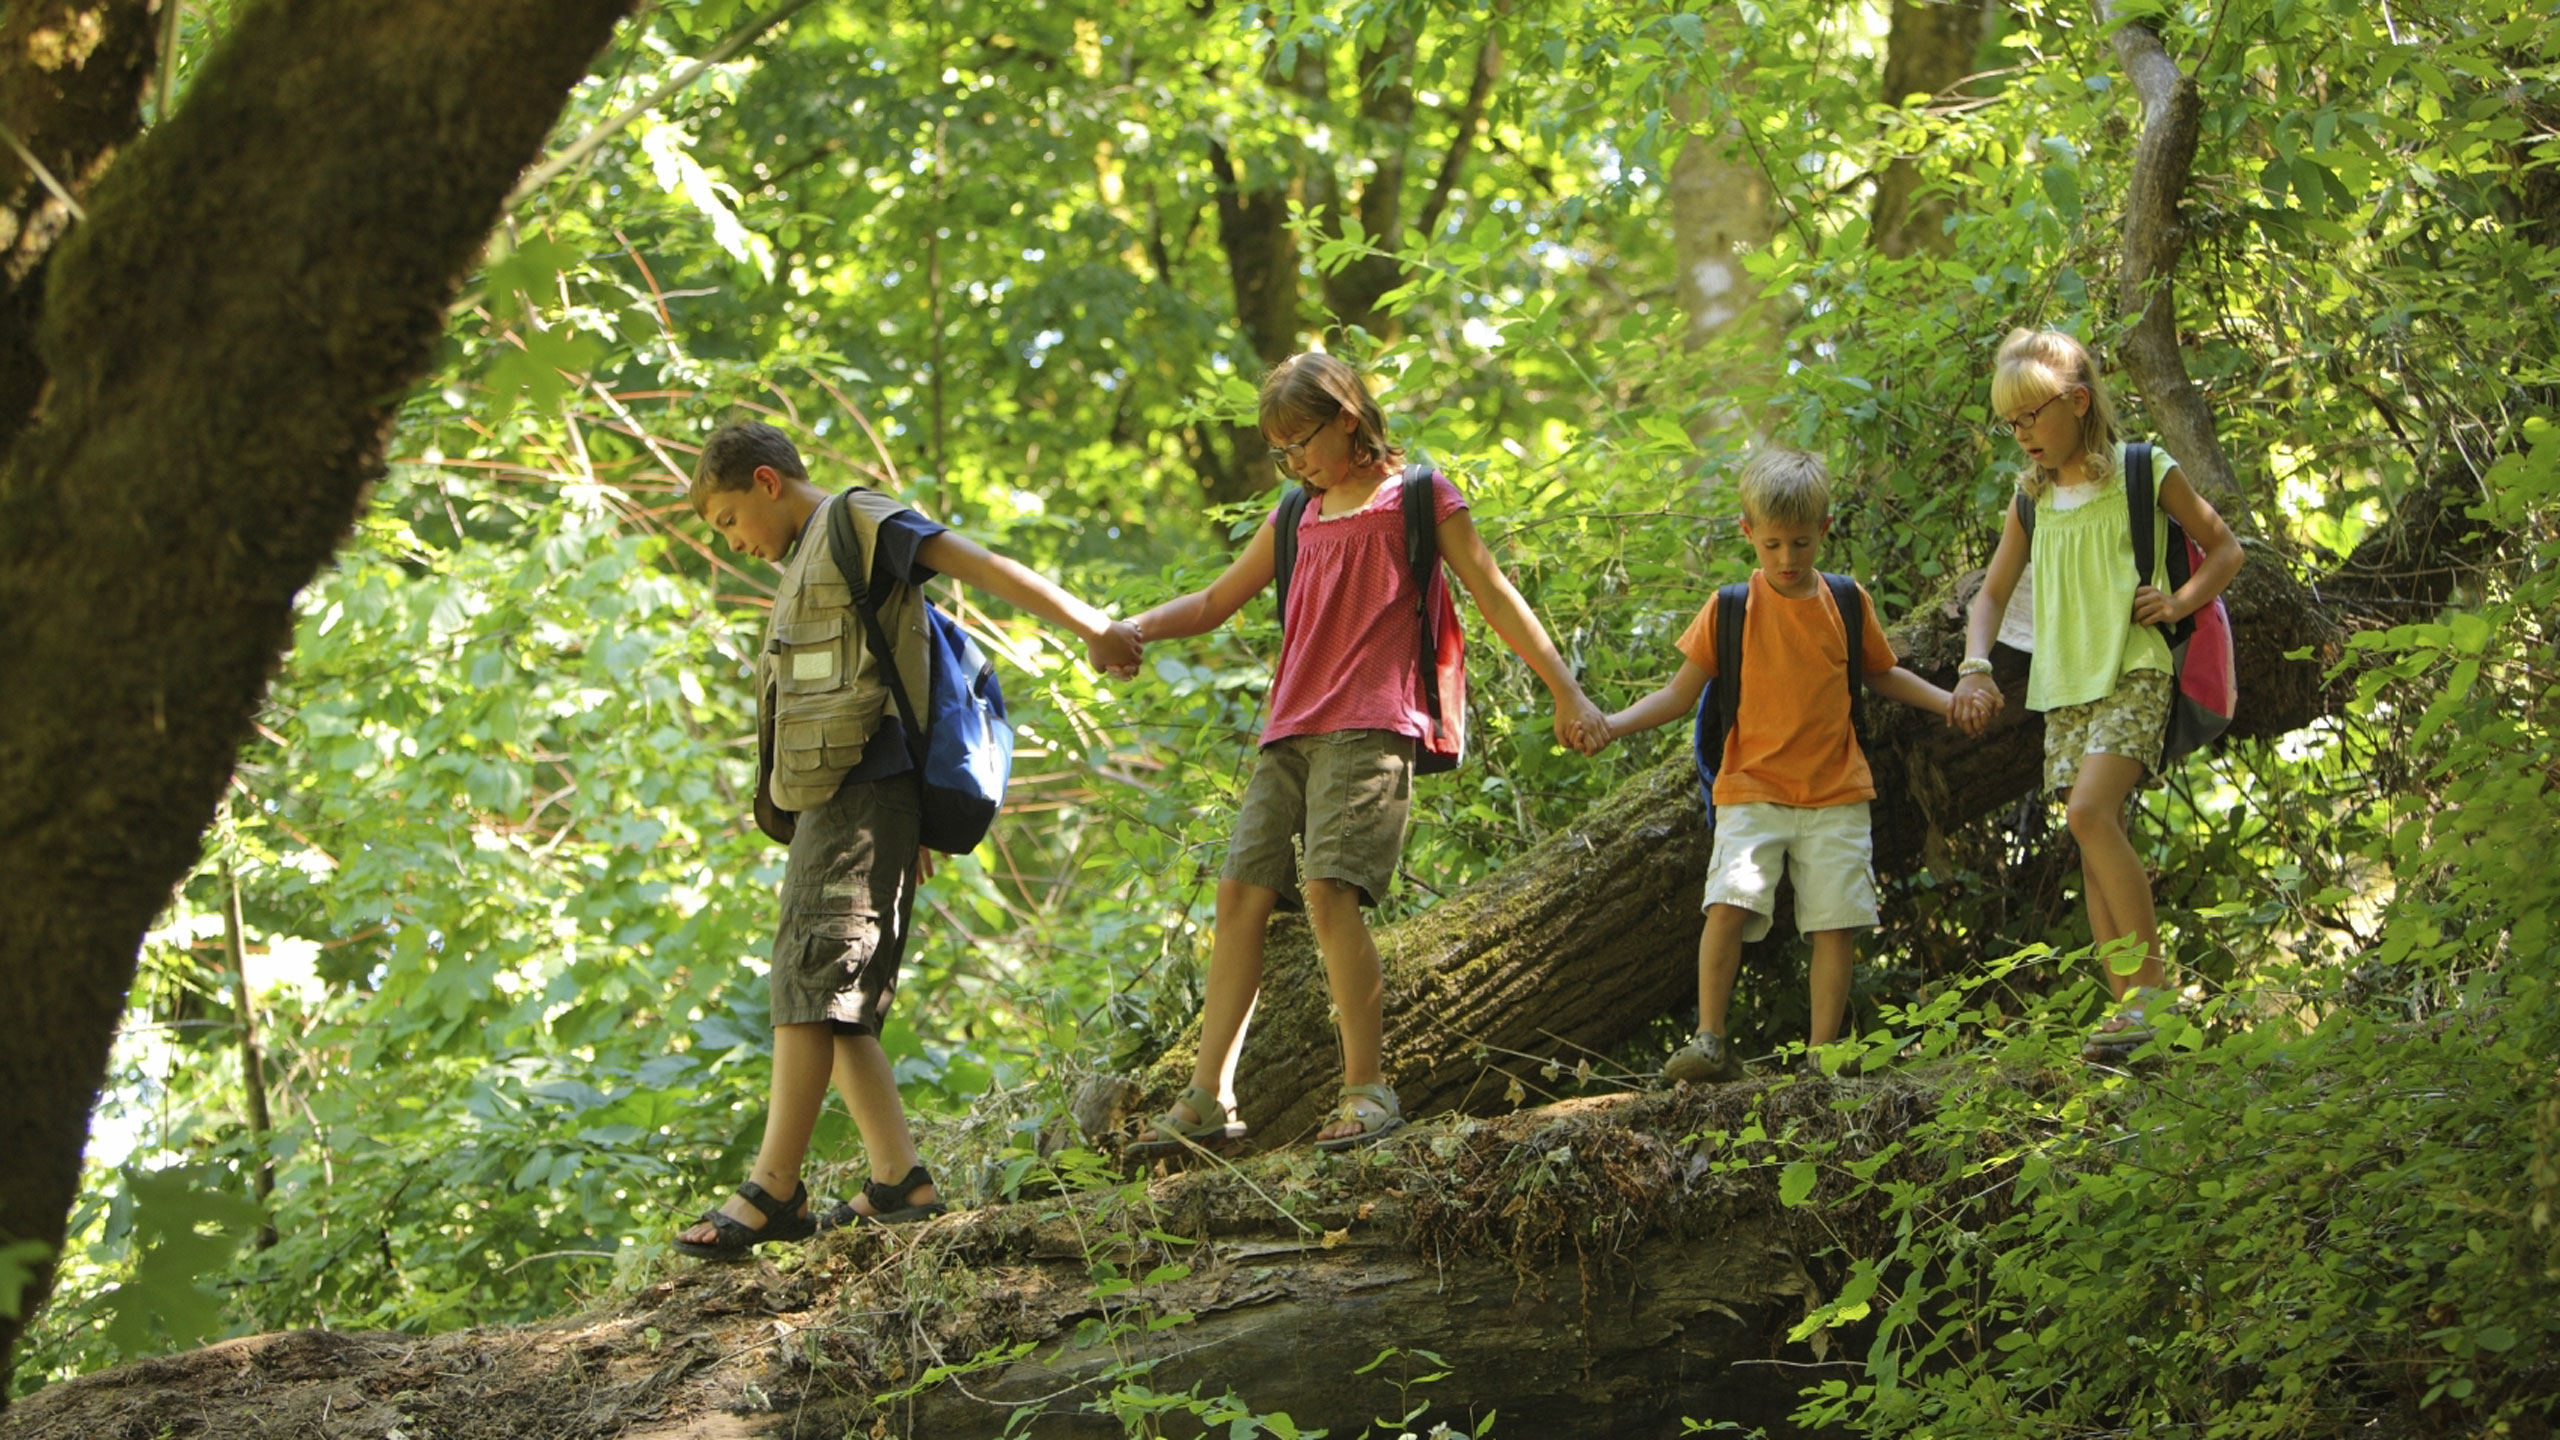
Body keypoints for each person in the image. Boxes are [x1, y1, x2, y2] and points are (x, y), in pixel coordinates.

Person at [672, 420, 1141, 1259]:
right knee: (829, 986)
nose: (734, 542)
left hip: (863, 793)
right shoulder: (806, 560)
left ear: (767, 483)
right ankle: (899, 1180)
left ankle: (774, 1189)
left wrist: (1092, 625)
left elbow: (979, 565)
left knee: (813, 978)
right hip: (838, 800)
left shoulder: (857, 523)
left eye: (729, 520)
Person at [1124, 353, 1608, 1153]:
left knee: (1328, 890)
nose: (1294, 461)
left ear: (1348, 416)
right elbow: (1214, 601)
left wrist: (1568, 691)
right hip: (1290, 730)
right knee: (1240, 894)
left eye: (1301, 440)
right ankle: (1209, 1098)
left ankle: (1368, 1091)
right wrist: (1135, 629)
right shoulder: (1294, 514)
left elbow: (1492, 591)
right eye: (1280, 451)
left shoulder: (1418, 497)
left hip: (1372, 722)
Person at [1585, 447, 1955, 1082]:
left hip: (1837, 791)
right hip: (1751, 789)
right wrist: (1610, 725)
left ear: (1825, 531)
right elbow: (1679, 695)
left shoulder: (1844, 601)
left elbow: (1882, 672)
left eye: (1802, 544)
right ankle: (1710, 1040)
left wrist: (1951, 701)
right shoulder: (1731, 608)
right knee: (1727, 905)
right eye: (1774, 544)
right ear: (1747, 532)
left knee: (1836, 921)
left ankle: (1821, 1057)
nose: (1788, 560)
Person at [1947, 329, 2242, 1058]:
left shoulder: (2143, 471)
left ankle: (2154, 1001)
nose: (2022, 436)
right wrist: (1975, 664)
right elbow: (1989, 598)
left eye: (2032, 417)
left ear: (2077, 402)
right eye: (2009, 423)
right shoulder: (2032, 502)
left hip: (2136, 668)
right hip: (2064, 687)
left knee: (2089, 810)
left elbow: (2226, 548)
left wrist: (2177, 604)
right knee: (2088, 835)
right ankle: (2127, 1017)